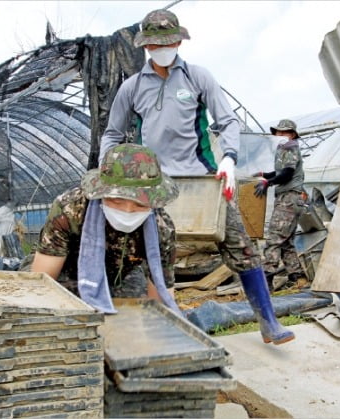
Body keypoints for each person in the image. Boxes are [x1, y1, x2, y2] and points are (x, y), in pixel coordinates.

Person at [99, 9, 294, 344]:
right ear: (146, 46)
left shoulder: (197, 78)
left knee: (241, 246)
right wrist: (107, 169)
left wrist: (229, 159)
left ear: (178, 41)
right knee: (151, 254)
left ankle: (268, 321)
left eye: (169, 41)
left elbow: (227, 120)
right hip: (154, 186)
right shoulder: (132, 88)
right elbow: (113, 134)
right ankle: (154, 328)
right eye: (155, 44)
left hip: (202, 181)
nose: (163, 47)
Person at [30, 143, 182, 315]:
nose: (128, 210)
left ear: (154, 202)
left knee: (135, 313)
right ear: (101, 193)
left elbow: (161, 297)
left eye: (140, 204)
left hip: (119, 277)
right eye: (116, 201)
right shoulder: (71, 209)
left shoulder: (162, 228)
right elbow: (42, 280)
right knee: (62, 310)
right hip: (67, 270)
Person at [253, 119, 308, 289]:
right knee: (286, 241)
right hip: (291, 197)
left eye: (285, 132)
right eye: (279, 132)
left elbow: (287, 173)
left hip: (289, 198)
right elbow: (280, 172)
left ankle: (266, 280)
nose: (281, 135)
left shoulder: (290, 147)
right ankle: (297, 277)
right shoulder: (284, 149)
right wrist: (265, 174)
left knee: (274, 239)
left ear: (292, 134)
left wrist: (267, 183)